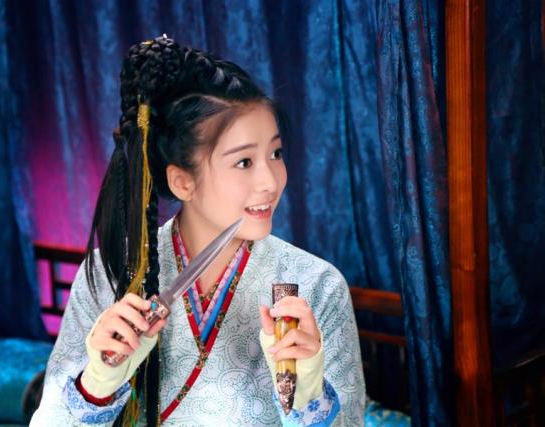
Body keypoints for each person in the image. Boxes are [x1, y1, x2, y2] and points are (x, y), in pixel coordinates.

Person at [30, 35, 365, 427]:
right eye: (244, 162)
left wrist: (307, 392)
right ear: (182, 182)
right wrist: (96, 385)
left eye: (275, 154)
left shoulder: (317, 284)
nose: (271, 181)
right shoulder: (112, 273)